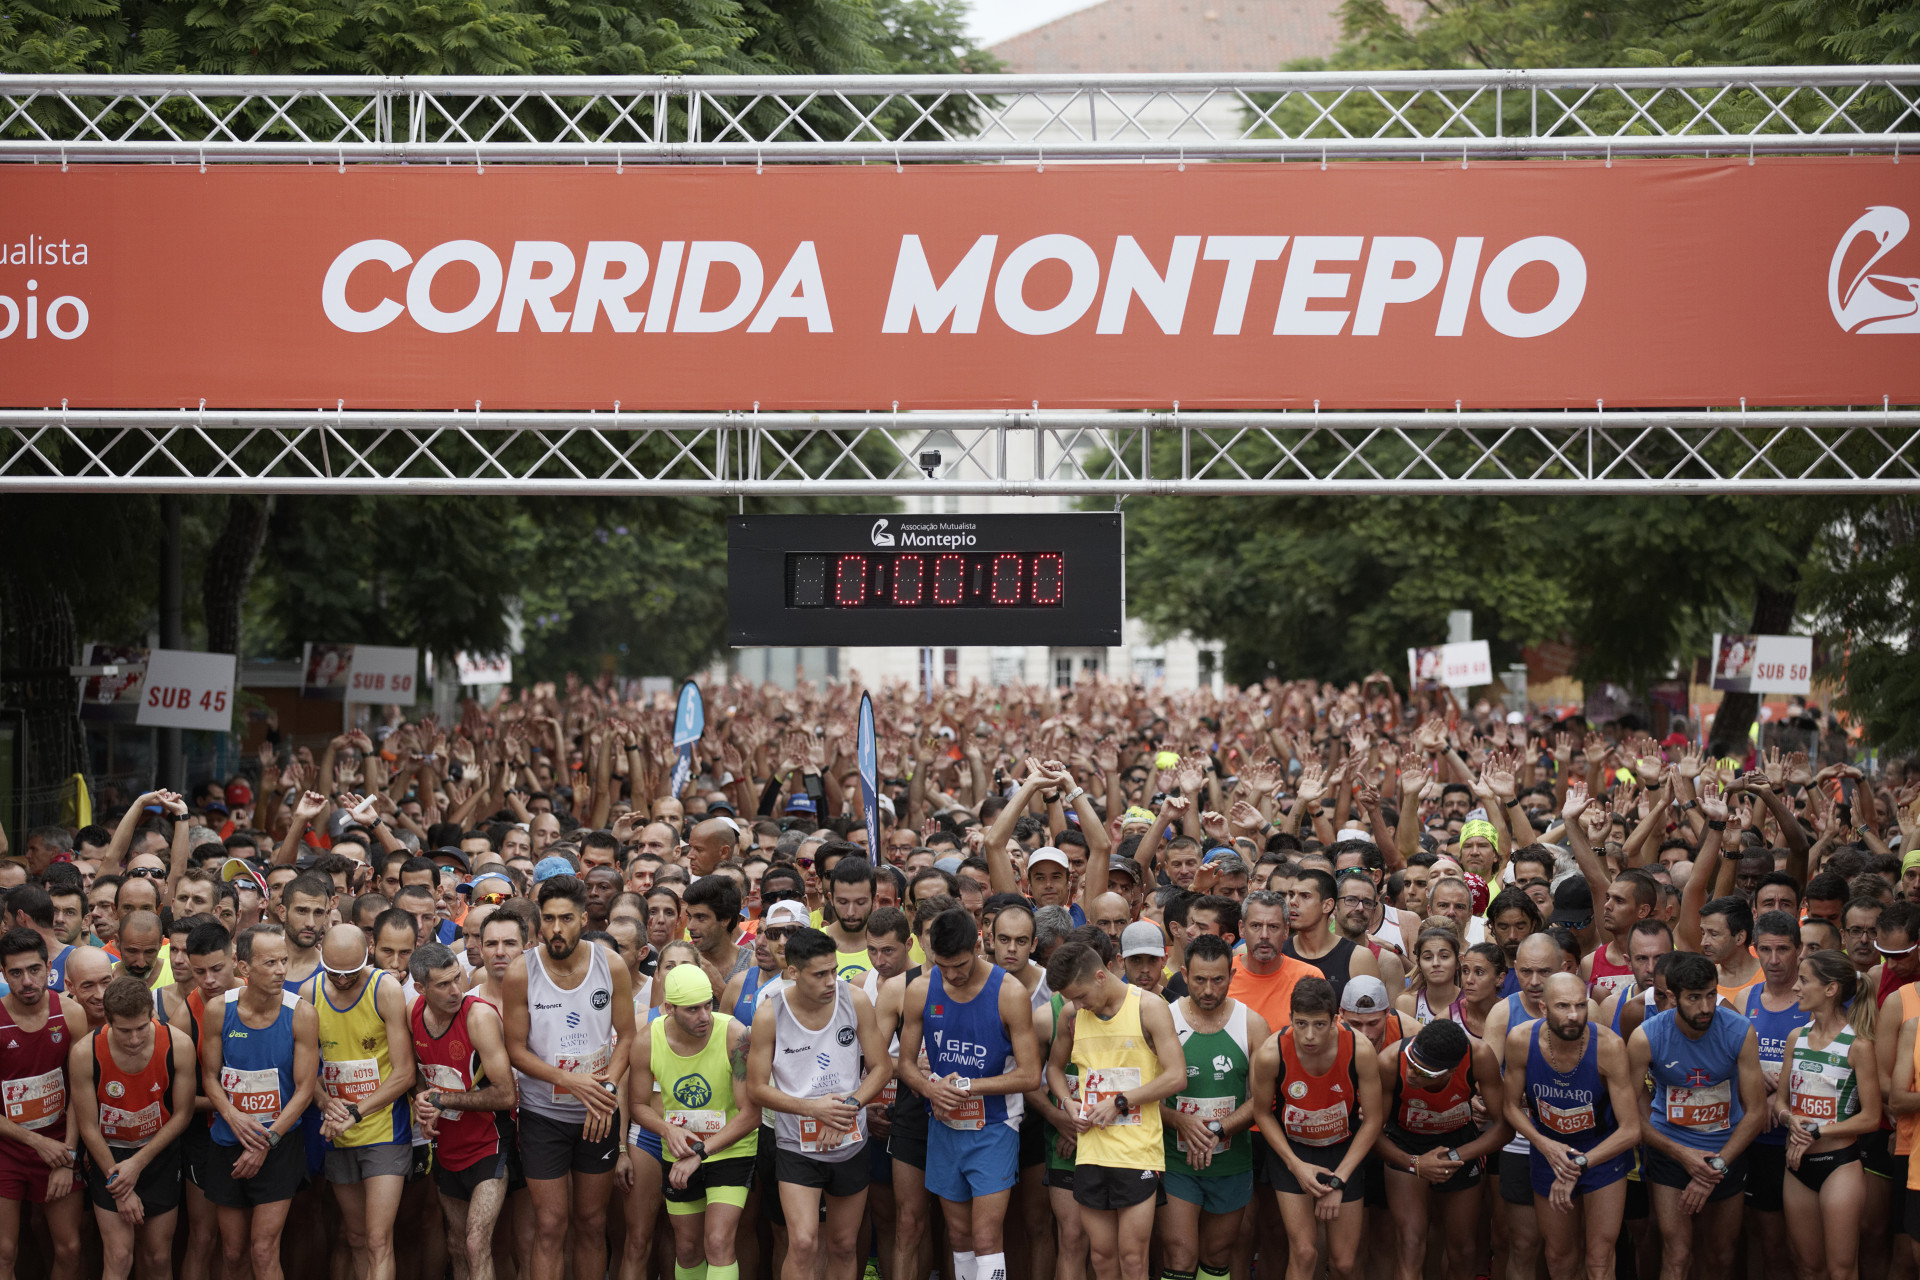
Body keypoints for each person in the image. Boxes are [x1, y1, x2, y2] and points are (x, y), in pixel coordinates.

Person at [895, 907, 1042, 1280]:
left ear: (979, 945)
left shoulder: (1009, 992)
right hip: (944, 1126)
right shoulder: (919, 990)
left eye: (960, 965)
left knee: (986, 1236)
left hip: (995, 1126)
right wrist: (929, 1089)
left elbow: (1030, 1075)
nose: (952, 975)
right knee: (959, 1235)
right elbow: (905, 1064)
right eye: (943, 966)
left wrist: (966, 1086)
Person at [505, 874, 636, 1280]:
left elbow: (628, 1036)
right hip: (543, 1115)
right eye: (548, 919)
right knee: (549, 1225)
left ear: (583, 919)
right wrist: (570, 1081)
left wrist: (607, 1089)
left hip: (597, 1113)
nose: (556, 929)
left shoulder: (610, 965)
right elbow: (515, 1050)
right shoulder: (521, 971)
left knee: (592, 1223)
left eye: (565, 919)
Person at [746, 926, 892, 1280]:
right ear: (793, 972)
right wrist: (814, 1109)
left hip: (849, 1140)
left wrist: (848, 1108)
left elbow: (882, 1067)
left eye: (833, 970)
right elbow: (756, 1089)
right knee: (802, 1243)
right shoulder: (770, 1013)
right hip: (797, 1144)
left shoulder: (854, 1000)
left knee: (843, 1244)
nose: (831, 981)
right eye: (820, 974)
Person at [1043, 937, 1189, 1280]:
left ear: (1100, 976)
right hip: (1091, 1152)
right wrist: (1068, 1103)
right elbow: (1053, 1070)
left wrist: (1120, 1101)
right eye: (1071, 999)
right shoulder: (1071, 1014)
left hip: (1138, 1153)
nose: (1077, 1005)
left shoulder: (1148, 1008)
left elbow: (1176, 1076)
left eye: (1081, 996)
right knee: (1102, 1256)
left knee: (1133, 1259)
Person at [1628, 950, 1768, 1280]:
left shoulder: (1739, 1030)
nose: (1705, 1007)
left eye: (1710, 995)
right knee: (1677, 1254)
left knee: (1721, 1255)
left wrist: (1715, 1166)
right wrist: (1684, 1156)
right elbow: (1628, 1113)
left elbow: (1757, 1111)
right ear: (1672, 997)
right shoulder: (1646, 1037)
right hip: (1670, 1151)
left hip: (1726, 1150)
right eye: (1693, 998)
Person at [1502, 972, 1641, 1280]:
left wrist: (1579, 1163)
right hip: (1550, 1151)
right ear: (1543, 1008)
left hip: (1601, 1151)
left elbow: (1631, 1129)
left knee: (1599, 1260)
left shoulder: (1609, 1046)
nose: (1574, 1015)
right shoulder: (1521, 1040)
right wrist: (1544, 1145)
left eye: (1580, 1005)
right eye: (1563, 1006)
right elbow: (1509, 1106)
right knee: (1559, 1257)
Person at [200, 923, 320, 1280]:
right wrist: (231, 1115)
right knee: (233, 1252)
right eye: (270, 963)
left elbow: (305, 1089)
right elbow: (209, 1077)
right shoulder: (219, 1010)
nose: (281, 970)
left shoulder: (302, 1013)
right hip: (229, 1141)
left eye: (284, 961)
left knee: (264, 1249)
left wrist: (267, 1142)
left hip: (279, 1143)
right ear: (244, 967)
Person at [630, 962, 760, 1280]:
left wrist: (702, 1152)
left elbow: (751, 1113)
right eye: (692, 1009)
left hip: (730, 1149)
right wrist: (666, 1129)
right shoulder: (647, 1040)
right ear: (669, 1008)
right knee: (687, 1248)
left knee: (717, 1242)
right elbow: (637, 1105)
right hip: (680, 1152)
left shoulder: (735, 1035)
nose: (704, 1016)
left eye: (708, 1005)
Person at [69, 972, 199, 1280]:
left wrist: (137, 1164)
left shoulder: (178, 1044)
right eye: (124, 1031)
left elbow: (183, 1114)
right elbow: (88, 1127)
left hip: (158, 1155)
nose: (135, 1039)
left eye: (142, 1027)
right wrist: (120, 1183)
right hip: (109, 1158)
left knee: (157, 1257)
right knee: (118, 1255)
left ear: (152, 1013)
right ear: (107, 1021)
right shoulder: (85, 1053)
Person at [1250, 975, 1380, 1280]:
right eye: (1301, 1023)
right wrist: (1295, 1166)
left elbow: (1374, 1119)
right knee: (1305, 1252)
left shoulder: (1360, 1050)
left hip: (1343, 1151)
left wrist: (1340, 1180)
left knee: (1344, 1263)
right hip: (1293, 1150)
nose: (1309, 1035)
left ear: (1335, 1020)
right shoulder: (1271, 1053)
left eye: (1319, 1024)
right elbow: (1262, 1113)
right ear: (1291, 1018)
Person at [313, 921, 416, 1280]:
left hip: (384, 1129)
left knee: (377, 1240)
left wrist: (356, 1112)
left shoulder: (384, 989)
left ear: (368, 953)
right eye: (334, 972)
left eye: (351, 972)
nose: (342, 980)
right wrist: (324, 1101)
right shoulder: (311, 991)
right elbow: (305, 1071)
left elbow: (405, 1073)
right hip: (338, 1130)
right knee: (355, 1237)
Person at [409, 940, 516, 1280]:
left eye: (458, 978)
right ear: (421, 988)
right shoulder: (412, 1013)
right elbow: (418, 1076)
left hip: (489, 1143)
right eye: (443, 984)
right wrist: (421, 1101)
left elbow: (506, 1095)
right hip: (446, 1146)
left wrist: (442, 1100)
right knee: (455, 1243)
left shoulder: (479, 1016)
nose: (456, 990)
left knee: (475, 1242)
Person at [1372, 1017, 1509, 1280]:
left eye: (1425, 1073)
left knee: (1463, 1250)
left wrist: (1454, 1157)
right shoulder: (1391, 1061)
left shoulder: (1479, 1056)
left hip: (1459, 1145)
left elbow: (1504, 1127)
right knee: (1410, 1243)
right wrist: (1415, 1163)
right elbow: (1372, 1134)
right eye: (1412, 1063)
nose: (1412, 1074)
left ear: (1451, 1071)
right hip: (1406, 1143)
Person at [1776, 950, 1880, 1280]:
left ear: (1831, 989)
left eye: (1804, 980)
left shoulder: (1858, 1044)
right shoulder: (1796, 1038)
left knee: (1841, 1271)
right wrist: (1789, 1119)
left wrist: (1818, 1131)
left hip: (1839, 1165)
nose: (1795, 987)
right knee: (1808, 1268)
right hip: (1796, 1166)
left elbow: (1871, 1118)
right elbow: (1780, 1102)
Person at [0, 927, 88, 1280]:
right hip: (7, 1148)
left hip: (61, 1144)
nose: (26, 981)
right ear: (3, 974)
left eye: (34, 970)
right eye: (16, 972)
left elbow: (82, 1092)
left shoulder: (71, 1013)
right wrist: (35, 1141)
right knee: (4, 1252)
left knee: (70, 1249)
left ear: (49, 968)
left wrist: (68, 1156)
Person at [1742, 910, 1808, 1264]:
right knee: (1765, 1242)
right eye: (1765, 950)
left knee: (1801, 1248)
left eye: (1782, 949)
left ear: (1799, 950)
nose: (1773, 959)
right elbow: (1731, 1063)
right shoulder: (1744, 999)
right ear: (1754, 949)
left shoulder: (1814, 1001)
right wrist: (1758, 1092)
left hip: (1802, 1139)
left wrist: (1779, 1096)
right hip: (1757, 1140)